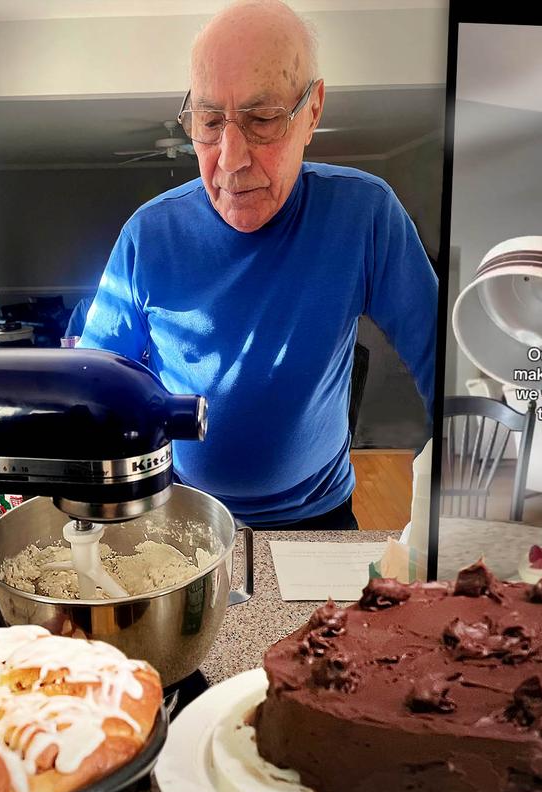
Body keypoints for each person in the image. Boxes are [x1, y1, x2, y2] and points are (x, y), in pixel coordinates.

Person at [77, 0, 437, 531]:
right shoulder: (148, 236)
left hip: (318, 517)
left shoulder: (365, 215)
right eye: (208, 121)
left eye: (262, 119)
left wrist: (445, 510)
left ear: (311, 112)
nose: (231, 158)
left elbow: (440, 362)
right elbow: (95, 389)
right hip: (181, 518)